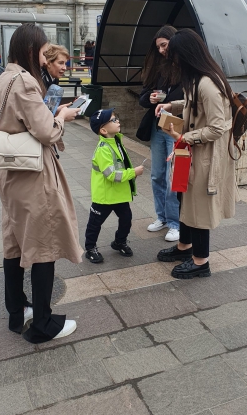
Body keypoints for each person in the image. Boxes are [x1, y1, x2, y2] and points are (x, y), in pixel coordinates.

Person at [0, 23, 82, 343]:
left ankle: (18, 312)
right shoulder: (25, 81)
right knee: (43, 243)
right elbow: (47, 132)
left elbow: (15, 122)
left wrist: (49, 113)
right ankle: (44, 324)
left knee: (14, 242)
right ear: (31, 50)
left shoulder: (2, 79)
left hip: (9, 173)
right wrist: (61, 118)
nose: (45, 60)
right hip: (32, 176)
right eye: (44, 53)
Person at [154, 29, 238, 279]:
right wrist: (171, 105)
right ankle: (185, 247)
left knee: (199, 205)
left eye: (174, 56)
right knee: (185, 198)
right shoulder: (198, 78)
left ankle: (201, 262)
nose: (173, 61)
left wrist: (185, 138)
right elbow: (192, 103)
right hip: (192, 151)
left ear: (186, 55)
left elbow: (217, 127)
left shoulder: (208, 84)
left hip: (205, 154)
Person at [136, 25, 183, 242]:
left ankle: (175, 223)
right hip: (158, 127)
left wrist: (169, 102)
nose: (162, 50)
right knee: (157, 174)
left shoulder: (186, 67)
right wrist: (151, 98)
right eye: (159, 47)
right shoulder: (157, 68)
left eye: (164, 45)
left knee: (173, 176)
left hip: (177, 128)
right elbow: (143, 97)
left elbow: (191, 99)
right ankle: (162, 217)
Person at [84, 109, 145, 264]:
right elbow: (111, 175)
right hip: (105, 195)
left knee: (126, 219)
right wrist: (133, 172)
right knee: (95, 223)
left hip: (119, 194)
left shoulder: (117, 141)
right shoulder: (103, 149)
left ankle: (119, 242)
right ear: (103, 130)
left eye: (116, 118)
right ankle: (90, 248)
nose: (117, 121)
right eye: (113, 120)